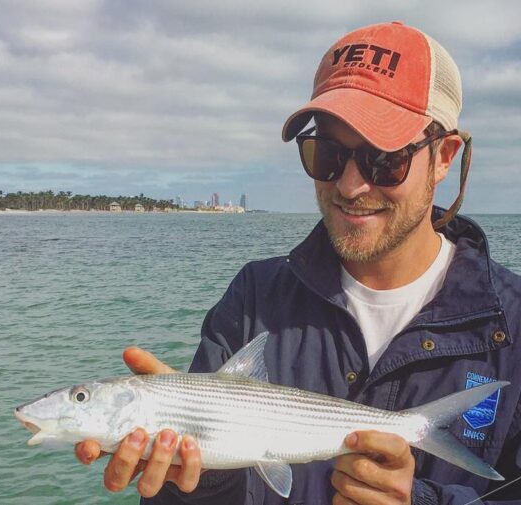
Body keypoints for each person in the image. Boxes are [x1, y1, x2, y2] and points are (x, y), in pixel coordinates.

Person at [75, 21, 521, 504]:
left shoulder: (514, 326)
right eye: (325, 153)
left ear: (444, 157)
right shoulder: (253, 298)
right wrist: (199, 472)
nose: (350, 186)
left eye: (383, 158)